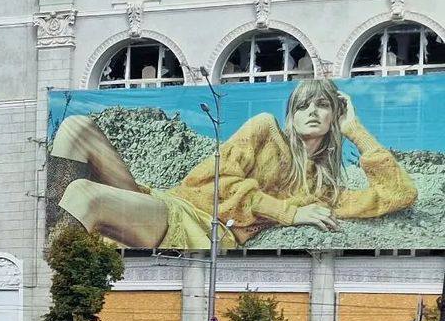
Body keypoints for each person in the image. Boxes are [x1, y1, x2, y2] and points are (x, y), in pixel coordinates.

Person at [52, 78, 416, 250]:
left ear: (335, 115)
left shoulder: (323, 191)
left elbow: (399, 195)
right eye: (303, 105)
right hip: (171, 203)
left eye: (322, 105)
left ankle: (62, 264)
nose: (312, 112)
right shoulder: (264, 128)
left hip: (201, 229)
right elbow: (216, 181)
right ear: (291, 115)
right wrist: (288, 212)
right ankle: (56, 258)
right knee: (75, 127)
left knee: (84, 194)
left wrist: (356, 130)